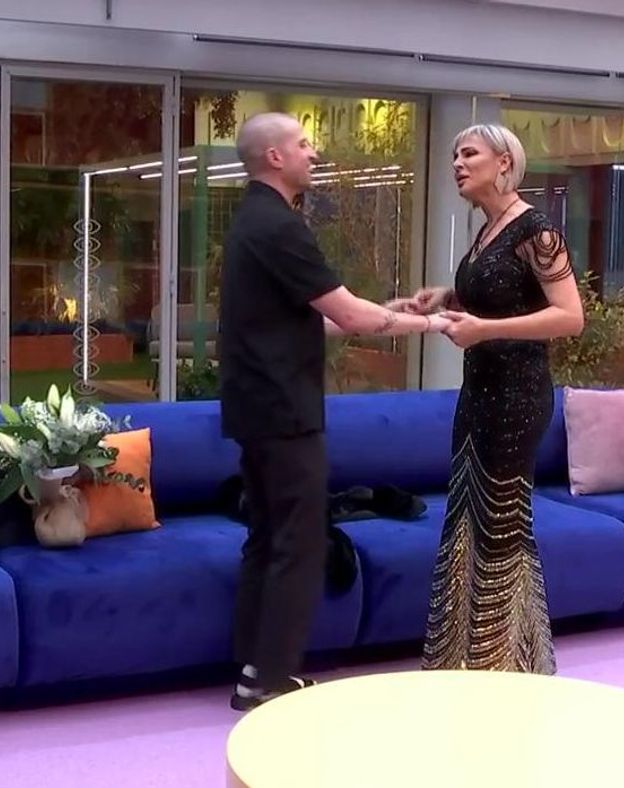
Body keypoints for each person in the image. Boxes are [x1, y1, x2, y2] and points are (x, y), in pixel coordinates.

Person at [219, 112, 450, 710]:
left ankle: (252, 665)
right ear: (275, 157)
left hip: (258, 408)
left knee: (268, 537)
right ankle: (268, 679)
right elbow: (348, 314)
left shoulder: (253, 221)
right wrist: (431, 324)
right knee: (300, 543)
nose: (314, 152)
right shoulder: (279, 226)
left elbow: (311, 320)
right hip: (283, 410)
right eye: (303, 144)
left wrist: (388, 310)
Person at [395, 123, 584, 675]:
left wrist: (485, 331)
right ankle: (463, 657)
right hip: (478, 392)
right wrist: (448, 297)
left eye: (469, 153)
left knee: (502, 525)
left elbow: (570, 317)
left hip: (517, 397)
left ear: (504, 162)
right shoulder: (487, 230)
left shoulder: (537, 230)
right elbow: (503, 296)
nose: (457, 163)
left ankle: (505, 667)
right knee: (466, 520)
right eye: (454, 154)